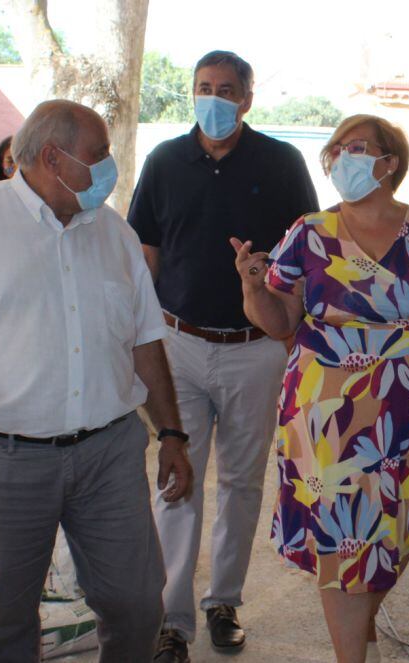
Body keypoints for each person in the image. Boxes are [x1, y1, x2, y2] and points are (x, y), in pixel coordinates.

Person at [0, 99, 194, 662]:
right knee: (6, 616)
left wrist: (173, 434)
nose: (110, 168)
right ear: (53, 158)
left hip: (108, 453)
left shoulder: (115, 234)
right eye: (98, 156)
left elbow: (145, 341)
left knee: (137, 603)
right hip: (5, 458)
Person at [231, 114, 409, 663]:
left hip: (405, 414)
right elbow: (279, 322)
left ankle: (360, 641)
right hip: (324, 416)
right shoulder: (309, 233)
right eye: (336, 150)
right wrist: (252, 289)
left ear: (389, 162)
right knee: (339, 536)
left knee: (392, 537)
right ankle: (353, 656)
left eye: (357, 148)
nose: (342, 158)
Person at [127, 50, 319, 661]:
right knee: (176, 479)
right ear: (191, 93)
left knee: (240, 480)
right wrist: (137, 337)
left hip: (254, 350)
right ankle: (172, 619)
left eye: (227, 89)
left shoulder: (282, 163)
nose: (214, 98)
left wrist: (281, 307)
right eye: (204, 87)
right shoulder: (163, 161)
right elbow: (145, 257)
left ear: (248, 98)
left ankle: (223, 601)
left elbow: (307, 254)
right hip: (177, 344)